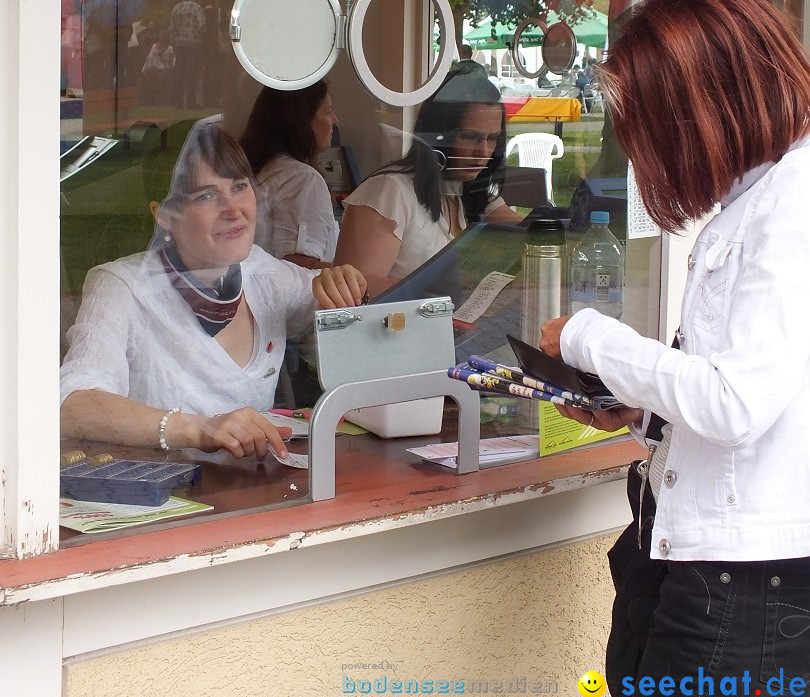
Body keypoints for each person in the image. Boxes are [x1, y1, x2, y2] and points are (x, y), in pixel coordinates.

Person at [537, 0, 810, 697]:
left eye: (653, 128)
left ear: (704, 106)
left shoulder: (789, 206)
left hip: (742, 586)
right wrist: (645, 411)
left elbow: (736, 402)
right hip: (720, 570)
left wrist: (592, 341)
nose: (644, 154)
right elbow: (770, 407)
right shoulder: (764, 197)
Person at [60, 122, 366, 460]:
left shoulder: (263, 273)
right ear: (163, 216)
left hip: (253, 494)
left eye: (238, 187)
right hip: (168, 502)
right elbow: (73, 405)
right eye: (206, 195)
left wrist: (342, 286)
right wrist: (198, 429)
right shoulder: (121, 286)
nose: (233, 211)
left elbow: (333, 310)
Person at [335, 68, 521, 297]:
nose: (483, 152)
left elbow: (527, 233)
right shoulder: (390, 191)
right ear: (438, 135)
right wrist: (441, 294)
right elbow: (353, 289)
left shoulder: (470, 190)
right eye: (469, 137)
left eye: (493, 139)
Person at [239, 81, 339, 269]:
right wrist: (356, 275)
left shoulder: (260, 167)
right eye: (327, 112)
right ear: (301, 121)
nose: (335, 120)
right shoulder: (303, 180)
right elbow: (300, 265)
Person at [169, 0, 206, 109]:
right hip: (193, 44)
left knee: (179, 72)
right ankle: (191, 102)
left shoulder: (176, 8)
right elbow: (202, 25)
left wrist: (174, 41)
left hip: (179, 44)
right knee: (191, 72)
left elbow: (172, 28)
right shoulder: (197, 8)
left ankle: (177, 102)